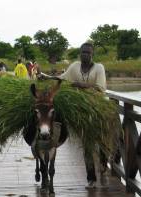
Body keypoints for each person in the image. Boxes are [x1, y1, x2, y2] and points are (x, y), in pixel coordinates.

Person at [40, 42, 107, 189]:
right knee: (87, 144)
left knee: (102, 143)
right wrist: (46, 78)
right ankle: (91, 178)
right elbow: (62, 78)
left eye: (88, 53)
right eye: (83, 52)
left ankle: (103, 166)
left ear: (92, 55)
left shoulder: (99, 68)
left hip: (99, 107)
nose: (85, 55)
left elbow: (101, 89)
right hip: (83, 110)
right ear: (80, 54)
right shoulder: (75, 66)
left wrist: (80, 85)